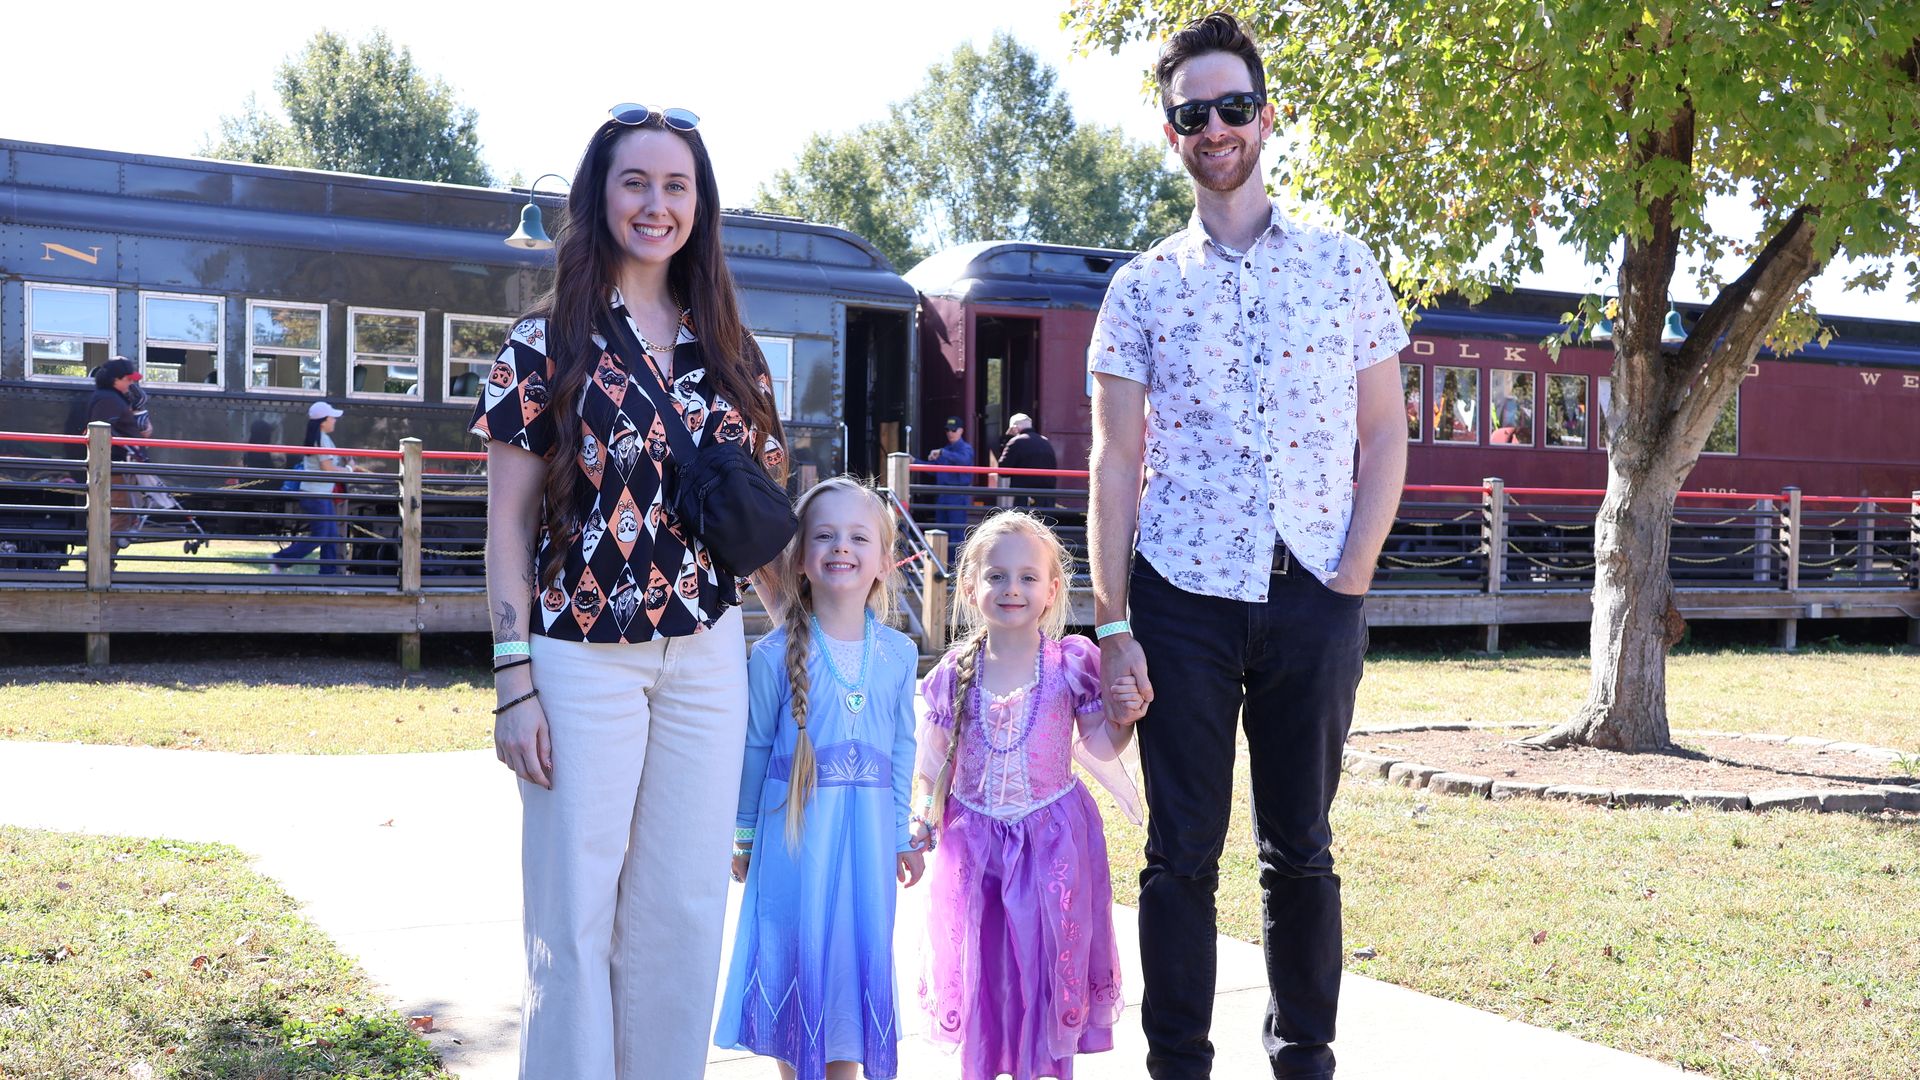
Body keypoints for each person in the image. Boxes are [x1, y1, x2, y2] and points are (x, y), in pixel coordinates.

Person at [1086, 13, 1410, 1079]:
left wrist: (1351, 573)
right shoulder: (1139, 288)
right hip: (1179, 599)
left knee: (1301, 853)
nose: (1216, 127)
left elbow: (1383, 431)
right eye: (1194, 113)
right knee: (1179, 856)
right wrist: (1115, 622)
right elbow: (1114, 460)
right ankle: (1177, 1064)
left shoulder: (1343, 266)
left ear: (1264, 116)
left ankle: (1303, 1061)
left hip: (1313, 589)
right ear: (1172, 132)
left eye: (1233, 107)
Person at [471, 103, 786, 1080]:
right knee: (573, 913)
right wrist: (513, 678)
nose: (657, 204)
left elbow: (764, 517)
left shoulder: (733, 348)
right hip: (577, 659)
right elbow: (507, 529)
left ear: (702, 203)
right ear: (599, 196)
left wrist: (815, 645)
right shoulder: (540, 348)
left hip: (704, 655)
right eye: (636, 183)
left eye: (676, 185)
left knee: (683, 909)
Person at [910, 509, 1143, 1080]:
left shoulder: (1070, 665)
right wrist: (920, 820)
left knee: (1045, 968)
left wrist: (1126, 717)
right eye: (996, 576)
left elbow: (1102, 745)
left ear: (1051, 591)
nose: (1011, 588)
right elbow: (930, 765)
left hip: (1052, 846)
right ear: (970, 586)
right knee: (986, 971)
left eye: (1027, 577)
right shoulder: (952, 672)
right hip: (977, 849)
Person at [715, 476, 921, 1080]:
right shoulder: (773, 654)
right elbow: (753, 750)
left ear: (884, 561)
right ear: (801, 557)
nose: (842, 547)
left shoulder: (899, 654)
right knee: (800, 955)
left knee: (851, 964)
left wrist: (902, 833)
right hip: (795, 837)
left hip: (867, 847)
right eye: (824, 535)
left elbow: (902, 749)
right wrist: (745, 834)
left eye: (859, 536)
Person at [272, 402, 351, 574]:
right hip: (316, 495)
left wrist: (346, 463)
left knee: (330, 535)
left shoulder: (321, 437)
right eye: (332, 417)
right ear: (323, 421)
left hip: (320, 494)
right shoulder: (321, 439)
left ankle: (328, 573)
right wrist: (350, 470)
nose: (334, 421)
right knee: (322, 535)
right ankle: (280, 560)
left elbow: (329, 464)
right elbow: (327, 468)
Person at [993, 413, 1058, 511]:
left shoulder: (1016, 442)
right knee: (1044, 523)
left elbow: (1003, 469)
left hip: (1023, 495)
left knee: (1022, 523)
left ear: (1015, 428)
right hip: (1047, 496)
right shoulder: (1046, 442)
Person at [927, 416, 974, 530]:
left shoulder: (966, 448)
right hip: (943, 494)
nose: (950, 433)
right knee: (941, 531)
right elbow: (934, 469)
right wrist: (914, 461)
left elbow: (964, 460)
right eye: (948, 430)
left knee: (956, 533)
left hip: (957, 494)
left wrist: (943, 452)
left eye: (953, 430)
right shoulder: (946, 449)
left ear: (961, 431)